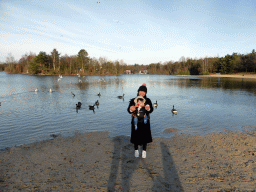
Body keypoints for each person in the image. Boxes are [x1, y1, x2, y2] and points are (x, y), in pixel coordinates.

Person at [127, 83, 153, 158]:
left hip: (145, 121)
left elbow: (151, 110)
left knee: (145, 136)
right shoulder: (133, 100)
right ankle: (136, 150)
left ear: (145, 93)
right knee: (135, 136)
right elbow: (128, 110)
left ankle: (144, 150)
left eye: (144, 92)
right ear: (138, 91)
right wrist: (131, 109)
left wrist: (148, 108)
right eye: (140, 91)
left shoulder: (147, 100)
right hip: (135, 121)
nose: (142, 93)